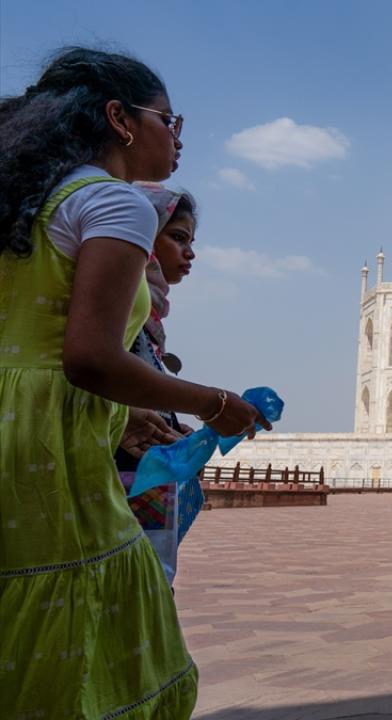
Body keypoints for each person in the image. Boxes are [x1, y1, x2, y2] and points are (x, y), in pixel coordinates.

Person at [0, 47, 268, 718]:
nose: (176, 138)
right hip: (46, 445)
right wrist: (216, 403)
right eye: (169, 120)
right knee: (99, 620)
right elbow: (88, 357)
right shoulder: (114, 205)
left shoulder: (24, 207)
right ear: (120, 119)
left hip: (15, 420)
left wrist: (121, 418)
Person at [114, 183, 199, 587]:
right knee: (129, 588)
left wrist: (170, 427)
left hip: (140, 480)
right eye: (177, 237)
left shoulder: (147, 314)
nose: (189, 253)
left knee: (144, 587)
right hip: (114, 480)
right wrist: (216, 404)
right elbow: (94, 372)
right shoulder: (117, 300)